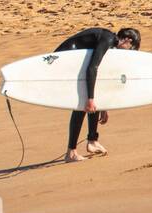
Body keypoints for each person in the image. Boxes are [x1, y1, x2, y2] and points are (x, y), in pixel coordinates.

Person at [53, 27, 141, 162]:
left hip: (74, 65)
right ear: (127, 41)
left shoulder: (110, 45)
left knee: (93, 98)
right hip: (61, 62)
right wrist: (90, 99)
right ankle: (71, 152)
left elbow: (98, 74)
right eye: (131, 48)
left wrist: (102, 105)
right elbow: (92, 68)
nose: (129, 52)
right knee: (83, 104)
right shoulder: (108, 39)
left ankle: (92, 141)